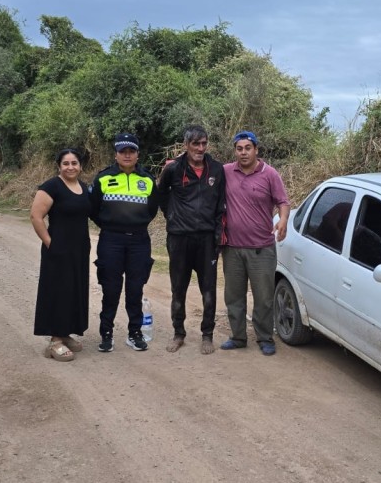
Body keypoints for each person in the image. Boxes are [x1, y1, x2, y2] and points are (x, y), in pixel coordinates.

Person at [156, 125, 226, 354]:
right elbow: (161, 195)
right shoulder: (174, 169)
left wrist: (217, 235)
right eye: (195, 144)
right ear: (186, 145)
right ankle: (178, 333)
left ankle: (207, 335)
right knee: (179, 288)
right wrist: (172, 216)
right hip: (179, 238)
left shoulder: (216, 169)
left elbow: (220, 205)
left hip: (206, 239)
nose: (200, 148)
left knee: (209, 289)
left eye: (204, 143)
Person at [220, 130, 290, 356]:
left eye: (247, 148)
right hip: (232, 248)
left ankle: (264, 337)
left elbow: (283, 202)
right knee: (233, 296)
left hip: (262, 248)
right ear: (235, 151)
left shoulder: (270, 174)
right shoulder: (226, 172)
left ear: (256, 149)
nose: (243, 153)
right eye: (239, 149)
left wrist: (283, 221)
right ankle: (238, 336)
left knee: (263, 297)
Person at [88, 132, 159, 352]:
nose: (127, 155)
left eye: (131, 151)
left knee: (135, 289)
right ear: (116, 154)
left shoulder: (147, 180)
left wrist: (135, 224)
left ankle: (134, 333)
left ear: (138, 154)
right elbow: (93, 210)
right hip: (111, 240)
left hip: (139, 241)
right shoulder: (103, 178)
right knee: (111, 289)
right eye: (122, 151)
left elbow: (152, 209)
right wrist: (111, 226)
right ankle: (106, 334)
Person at [31, 148, 93, 361]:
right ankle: (55, 341)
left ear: (80, 166)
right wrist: (50, 244)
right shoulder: (51, 187)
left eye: (74, 163)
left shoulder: (83, 187)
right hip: (57, 249)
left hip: (79, 249)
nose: (70, 167)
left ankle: (65, 334)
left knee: (74, 291)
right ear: (59, 166)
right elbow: (36, 217)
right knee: (58, 291)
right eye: (66, 163)